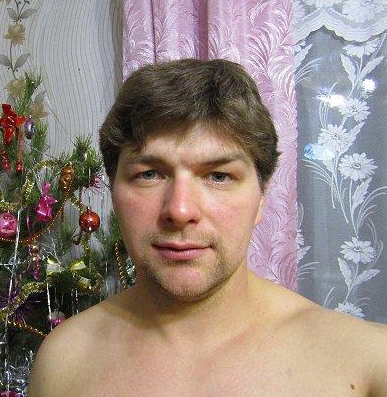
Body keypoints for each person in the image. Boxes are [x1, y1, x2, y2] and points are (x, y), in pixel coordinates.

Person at [28, 58, 387, 396]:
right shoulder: (63, 360)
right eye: (149, 174)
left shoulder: (368, 364)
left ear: (262, 197)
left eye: (218, 176)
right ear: (113, 192)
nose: (180, 210)